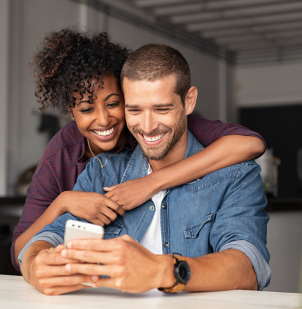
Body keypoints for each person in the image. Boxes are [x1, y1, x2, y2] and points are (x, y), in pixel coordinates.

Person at [19, 43, 270, 296]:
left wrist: (163, 270)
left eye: (162, 109)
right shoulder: (101, 172)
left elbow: (248, 267)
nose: (148, 126)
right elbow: (45, 238)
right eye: (134, 110)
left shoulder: (236, 175)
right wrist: (34, 266)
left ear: (189, 101)